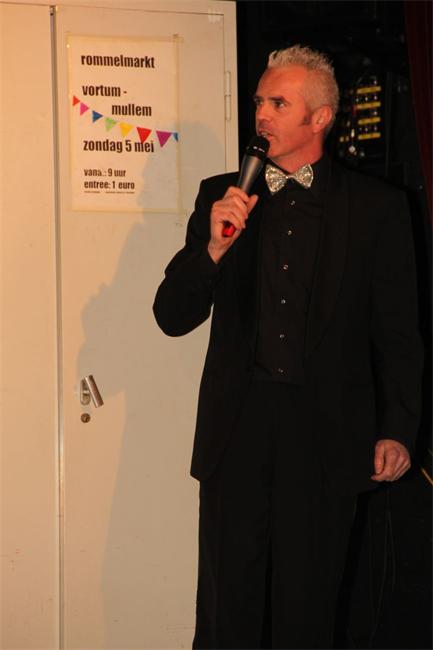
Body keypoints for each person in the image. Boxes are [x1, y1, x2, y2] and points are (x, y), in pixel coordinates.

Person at [153, 45, 423, 649]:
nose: (262, 115)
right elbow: (171, 316)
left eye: (278, 103)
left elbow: (399, 333)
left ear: (319, 117)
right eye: (259, 101)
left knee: (308, 614)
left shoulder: (376, 209)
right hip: (237, 432)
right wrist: (214, 249)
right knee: (226, 615)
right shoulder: (221, 195)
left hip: (326, 435)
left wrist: (397, 428)